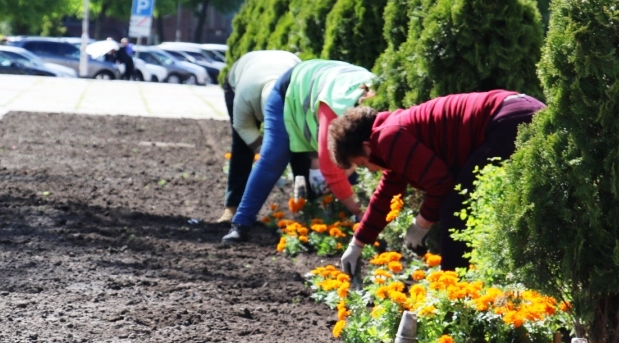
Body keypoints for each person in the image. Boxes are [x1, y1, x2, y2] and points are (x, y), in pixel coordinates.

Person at [328, 90, 545, 273]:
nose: (371, 169)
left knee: (455, 207)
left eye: (364, 164)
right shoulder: (389, 135)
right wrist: (357, 243)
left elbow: (441, 183)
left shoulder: (388, 137)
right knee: (468, 203)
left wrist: (421, 224)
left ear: (366, 147)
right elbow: (386, 194)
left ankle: (455, 299)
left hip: (510, 120)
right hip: (521, 107)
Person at [222, 59, 375, 244]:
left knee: (354, 160)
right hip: (288, 92)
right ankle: (240, 225)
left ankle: (332, 216)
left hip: (327, 80)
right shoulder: (335, 110)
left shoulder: (383, 107)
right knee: (273, 159)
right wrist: (361, 213)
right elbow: (330, 169)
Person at [219, 50, 301, 223]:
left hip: (283, 68)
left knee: (300, 146)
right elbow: (242, 126)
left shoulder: (299, 92)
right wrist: (268, 156)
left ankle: (306, 205)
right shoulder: (245, 94)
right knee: (241, 148)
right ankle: (232, 207)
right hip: (240, 78)